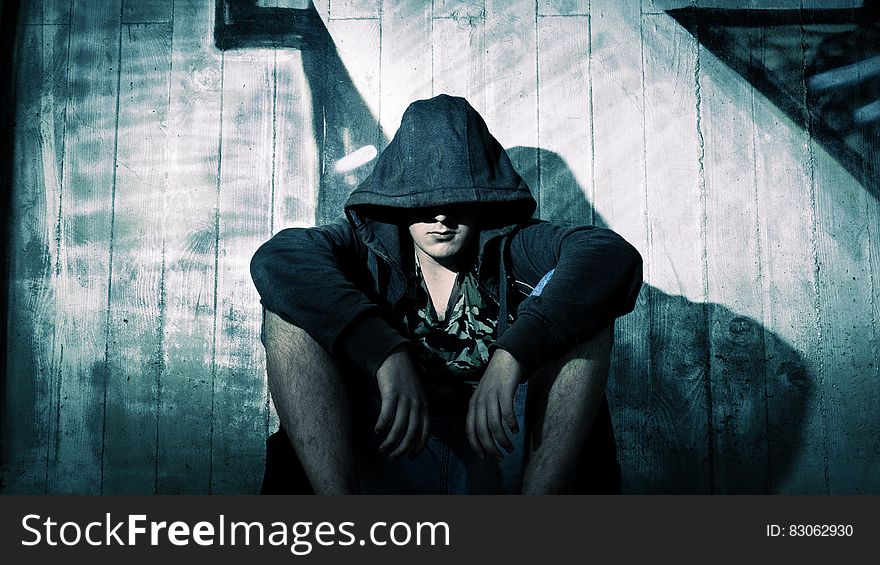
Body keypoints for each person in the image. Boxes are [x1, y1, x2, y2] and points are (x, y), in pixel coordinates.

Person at [250, 94, 642, 494]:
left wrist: (513, 356)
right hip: (389, 446)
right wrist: (383, 352)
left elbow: (609, 257)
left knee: (589, 315)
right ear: (397, 201)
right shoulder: (363, 246)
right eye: (422, 199)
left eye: (455, 196)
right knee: (287, 317)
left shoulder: (516, 245)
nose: (440, 214)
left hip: (500, 444)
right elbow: (278, 259)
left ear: (482, 197)